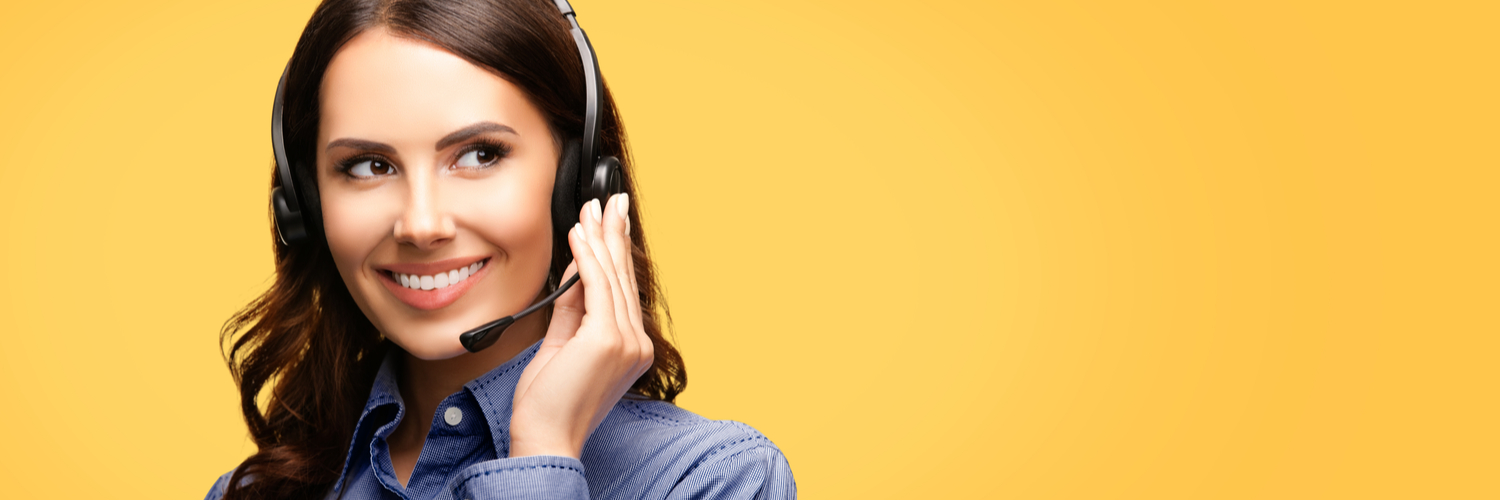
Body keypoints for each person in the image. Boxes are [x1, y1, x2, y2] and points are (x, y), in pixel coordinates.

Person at [205, 0, 795, 498]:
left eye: (480, 155)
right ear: (306, 206)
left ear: (579, 182)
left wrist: (543, 452)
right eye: (368, 165)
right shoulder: (256, 491)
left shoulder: (710, 477)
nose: (421, 224)